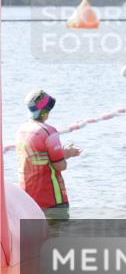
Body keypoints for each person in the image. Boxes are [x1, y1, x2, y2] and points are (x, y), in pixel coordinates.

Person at [16, 90, 81, 221]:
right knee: (56, 237)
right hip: (51, 198)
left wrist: (60, 151)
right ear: (45, 112)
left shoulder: (22, 130)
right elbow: (60, 165)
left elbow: (38, 157)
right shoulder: (49, 131)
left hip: (28, 197)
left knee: (35, 238)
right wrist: (68, 154)